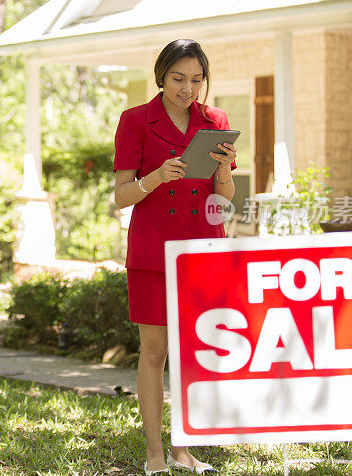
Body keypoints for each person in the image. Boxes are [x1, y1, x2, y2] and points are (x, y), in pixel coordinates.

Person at [113, 39, 237, 475]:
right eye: (179, 79)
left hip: (202, 247)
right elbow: (121, 194)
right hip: (152, 248)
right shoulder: (135, 121)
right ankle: (153, 453)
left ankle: (184, 451)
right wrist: (156, 178)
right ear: (161, 78)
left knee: (192, 351)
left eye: (197, 80)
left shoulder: (215, 120)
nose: (188, 89)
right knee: (154, 350)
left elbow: (225, 197)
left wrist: (224, 171)